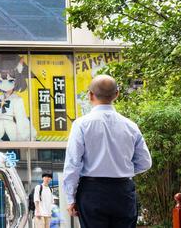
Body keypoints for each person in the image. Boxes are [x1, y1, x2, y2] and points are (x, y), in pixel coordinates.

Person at [62, 74, 152, 228]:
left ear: (90, 95)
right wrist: (123, 170)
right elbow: (145, 162)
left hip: (92, 192)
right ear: (116, 94)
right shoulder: (130, 126)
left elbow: (73, 163)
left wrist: (70, 199)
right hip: (123, 191)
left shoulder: (81, 125)